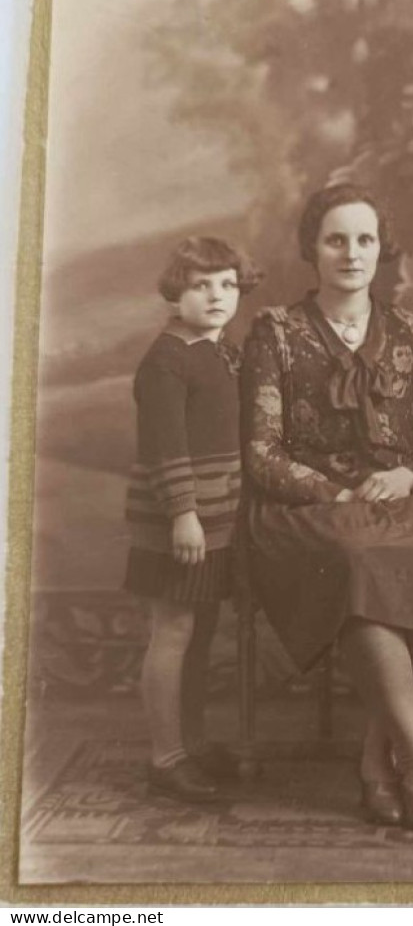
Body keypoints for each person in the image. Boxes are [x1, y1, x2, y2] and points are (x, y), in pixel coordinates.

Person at [239, 182, 413, 837]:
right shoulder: (277, 333)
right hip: (310, 508)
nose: (352, 254)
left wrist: (408, 472)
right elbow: (261, 451)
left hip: (401, 499)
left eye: (365, 239)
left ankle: (378, 758)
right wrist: (334, 492)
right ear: (311, 249)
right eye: (336, 240)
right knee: (361, 560)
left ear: (383, 248)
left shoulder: (409, 330)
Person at [124, 235, 262, 802]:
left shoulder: (217, 350)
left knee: (201, 631)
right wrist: (184, 514)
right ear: (175, 292)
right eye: (201, 285)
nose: (216, 296)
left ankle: (194, 742)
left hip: (216, 520)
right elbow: (166, 447)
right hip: (178, 524)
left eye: (227, 285)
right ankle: (166, 756)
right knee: (174, 630)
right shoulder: (167, 360)